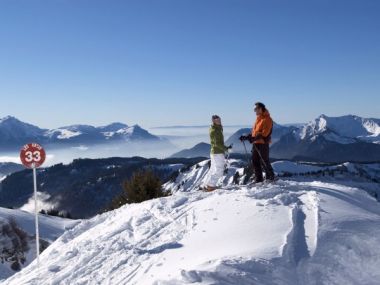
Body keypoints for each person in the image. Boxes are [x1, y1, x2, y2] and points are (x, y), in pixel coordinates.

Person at [239, 102, 275, 183]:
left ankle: (271, 178)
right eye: (254, 109)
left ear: (261, 109)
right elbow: (254, 132)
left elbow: (265, 133)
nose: (254, 111)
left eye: (256, 109)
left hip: (263, 143)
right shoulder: (258, 119)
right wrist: (246, 137)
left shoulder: (268, 119)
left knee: (264, 161)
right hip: (256, 143)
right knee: (255, 161)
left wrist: (253, 138)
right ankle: (259, 179)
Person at [205, 115, 232, 192]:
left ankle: (207, 185)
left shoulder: (216, 128)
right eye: (217, 120)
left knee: (213, 169)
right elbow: (217, 143)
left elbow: (217, 143)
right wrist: (226, 149)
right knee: (219, 170)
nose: (219, 121)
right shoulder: (215, 130)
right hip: (217, 152)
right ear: (213, 121)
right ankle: (210, 186)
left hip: (214, 152)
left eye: (219, 120)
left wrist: (226, 148)